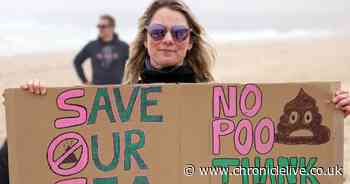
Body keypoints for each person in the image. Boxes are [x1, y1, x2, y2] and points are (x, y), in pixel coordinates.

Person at [1, 0, 350, 183]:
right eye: (158, 32)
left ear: (189, 43)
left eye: (178, 33)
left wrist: (335, 111)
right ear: (146, 40)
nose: (168, 39)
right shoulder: (116, 108)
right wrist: (34, 113)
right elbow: (22, 165)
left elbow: (276, 162)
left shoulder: (217, 107)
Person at [74, 14, 129, 85]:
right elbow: (77, 61)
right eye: (98, 26)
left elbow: (136, 62)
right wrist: (85, 81)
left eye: (103, 26)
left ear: (112, 27)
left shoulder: (123, 46)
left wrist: (130, 80)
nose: (100, 29)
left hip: (118, 89)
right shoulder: (92, 45)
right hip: (97, 89)